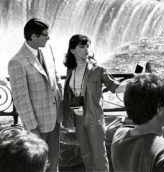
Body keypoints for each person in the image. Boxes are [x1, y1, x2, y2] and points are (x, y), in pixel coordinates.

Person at [62, 34, 125, 172]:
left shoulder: (98, 70)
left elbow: (115, 87)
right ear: (72, 50)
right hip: (78, 118)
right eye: (82, 46)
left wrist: (135, 83)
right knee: (86, 155)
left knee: (99, 157)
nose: (86, 49)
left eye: (87, 46)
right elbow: (72, 94)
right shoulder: (70, 70)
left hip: (94, 118)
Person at [8, 18, 62, 172]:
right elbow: (20, 98)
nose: (48, 38)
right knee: (37, 166)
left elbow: (56, 78)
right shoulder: (17, 62)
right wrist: (32, 128)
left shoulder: (47, 49)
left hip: (55, 119)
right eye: (45, 35)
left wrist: (61, 110)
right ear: (33, 36)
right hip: (38, 125)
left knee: (54, 162)